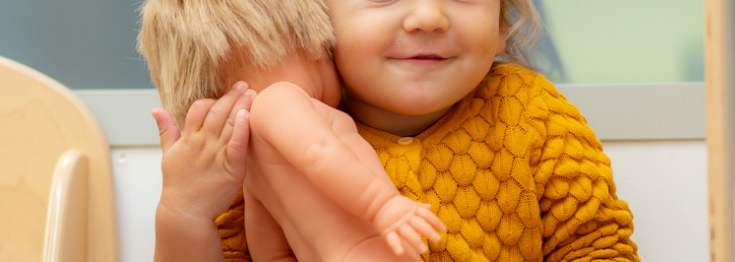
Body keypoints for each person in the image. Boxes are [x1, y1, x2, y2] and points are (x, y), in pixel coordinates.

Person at [214, 0, 644, 261]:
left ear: (500, 27)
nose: (427, 17)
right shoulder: (277, 135)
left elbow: (597, 248)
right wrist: (184, 209)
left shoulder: (532, 113)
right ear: (315, 23)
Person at [136, 0, 446, 261]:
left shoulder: (252, 169)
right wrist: (383, 205)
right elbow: (319, 153)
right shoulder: (280, 98)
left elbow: (269, 251)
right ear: (310, 45)